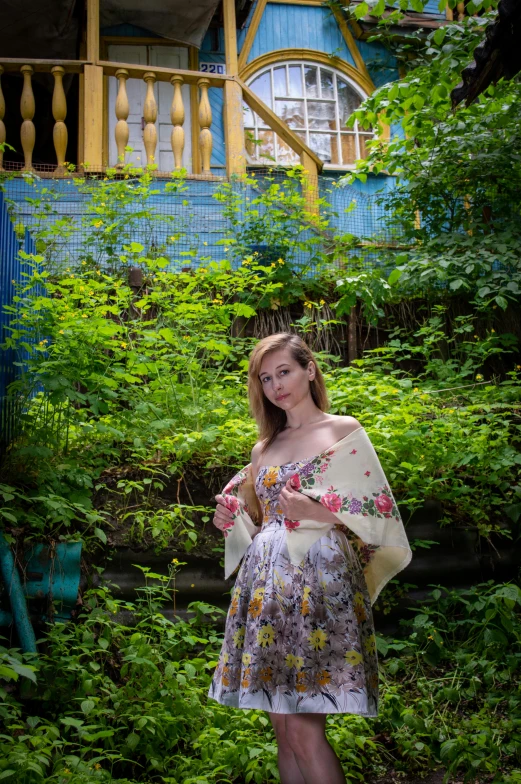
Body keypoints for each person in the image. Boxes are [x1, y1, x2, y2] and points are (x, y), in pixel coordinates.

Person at [209, 332, 410, 784]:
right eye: (266, 378)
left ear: (309, 370)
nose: (277, 385)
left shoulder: (342, 430)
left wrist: (319, 510)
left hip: (320, 580)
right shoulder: (264, 448)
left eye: (285, 372)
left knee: (303, 725)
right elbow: (257, 520)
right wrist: (231, 516)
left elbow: (378, 510)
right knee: (282, 726)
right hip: (266, 586)